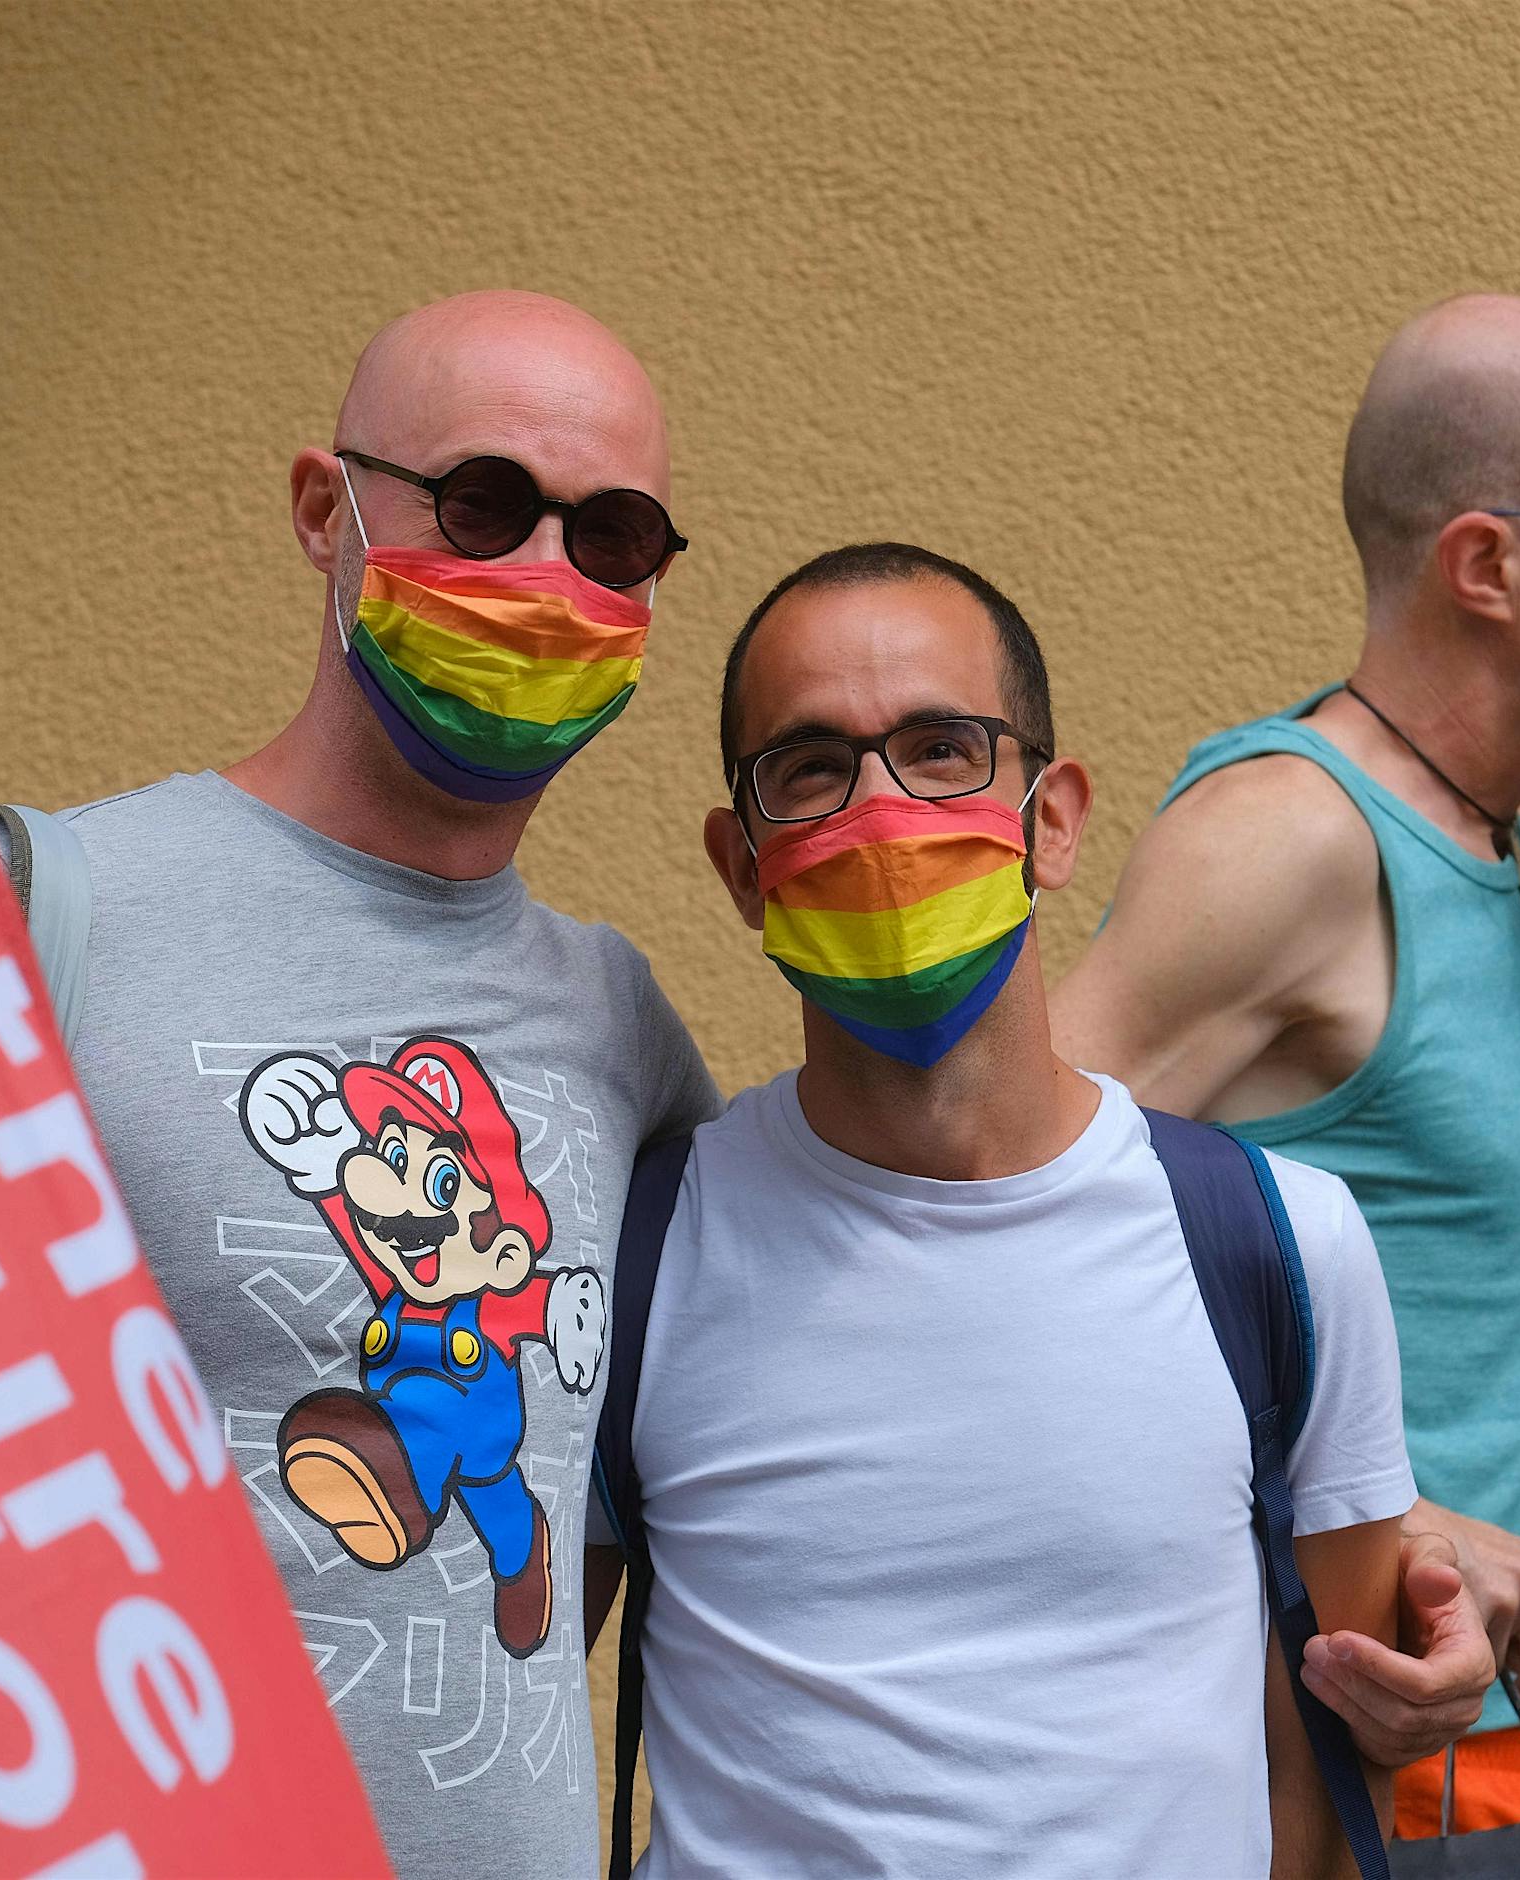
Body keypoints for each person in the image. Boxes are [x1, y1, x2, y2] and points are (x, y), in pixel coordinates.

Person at [1053, 293, 1520, 1834]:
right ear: (1488, 563)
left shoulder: (1518, 861)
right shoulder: (1291, 837)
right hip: (1312, 1770)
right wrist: (1387, 1520)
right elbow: (980, 1230)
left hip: (1502, 1759)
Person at [12, 292, 722, 1877]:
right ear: (325, 511)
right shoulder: (49, 918)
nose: (545, 580)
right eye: (479, 505)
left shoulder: (624, 1030)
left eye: (612, 539)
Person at [592, 541, 1421, 1877]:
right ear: (742, 869)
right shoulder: (633, 1255)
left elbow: (1343, 1753)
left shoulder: (1283, 1244)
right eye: (811, 767)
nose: (880, 810)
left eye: (940, 747)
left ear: (1054, 816)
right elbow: (484, 1718)